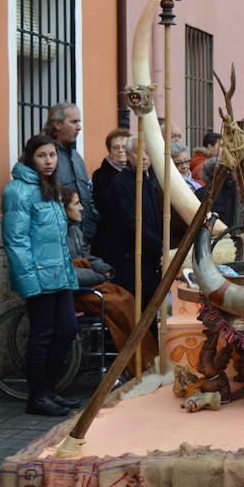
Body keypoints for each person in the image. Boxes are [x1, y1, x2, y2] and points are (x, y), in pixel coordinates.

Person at [2, 134, 80, 417]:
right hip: (38, 278)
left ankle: (49, 390)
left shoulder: (51, 187)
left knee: (68, 330)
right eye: (42, 156)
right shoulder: (17, 191)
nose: (49, 161)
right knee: (42, 335)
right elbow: (16, 241)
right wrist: (29, 282)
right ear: (29, 158)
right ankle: (37, 396)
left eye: (53, 155)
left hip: (59, 275)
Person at [61, 186, 158, 374]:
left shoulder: (75, 231)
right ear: (64, 209)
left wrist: (103, 268)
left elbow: (85, 258)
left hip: (88, 284)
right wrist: (97, 276)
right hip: (75, 292)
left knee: (127, 299)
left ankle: (145, 357)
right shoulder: (59, 235)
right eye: (76, 203)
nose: (81, 208)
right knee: (118, 305)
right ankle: (136, 361)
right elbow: (68, 270)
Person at [105, 135, 163, 311]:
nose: (145, 157)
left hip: (149, 259)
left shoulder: (149, 180)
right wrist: (160, 246)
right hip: (132, 260)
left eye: (148, 152)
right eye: (139, 153)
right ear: (129, 155)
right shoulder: (122, 183)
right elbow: (131, 224)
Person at [44, 103, 99, 244]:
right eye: (74, 122)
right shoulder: (47, 158)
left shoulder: (76, 157)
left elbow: (88, 192)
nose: (79, 127)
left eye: (79, 122)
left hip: (82, 237)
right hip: (58, 238)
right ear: (57, 124)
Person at [92, 128, 130, 260]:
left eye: (124, 147)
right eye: (116, 147)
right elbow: (105, 204)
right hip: (111, 234)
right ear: (109, 150)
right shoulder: (100, 175)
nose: (120, 150)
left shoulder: (139, 171)